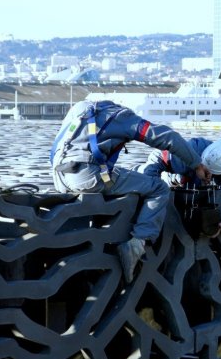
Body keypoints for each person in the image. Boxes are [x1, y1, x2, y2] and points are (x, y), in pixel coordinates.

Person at [50, 100, 210, 283]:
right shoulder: (122, 118)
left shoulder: (81, 109)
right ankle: (137, 245)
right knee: (158, 187)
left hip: (59, 176)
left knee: (125, 176)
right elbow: (168, 137)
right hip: (86, 176)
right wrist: (196, 164)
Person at [138, 137, 221, 238]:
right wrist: (151, 185)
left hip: (194, 200)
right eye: (204, 170)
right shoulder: (194, 147)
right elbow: (158, 157)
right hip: (169, 183)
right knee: (145, 176)